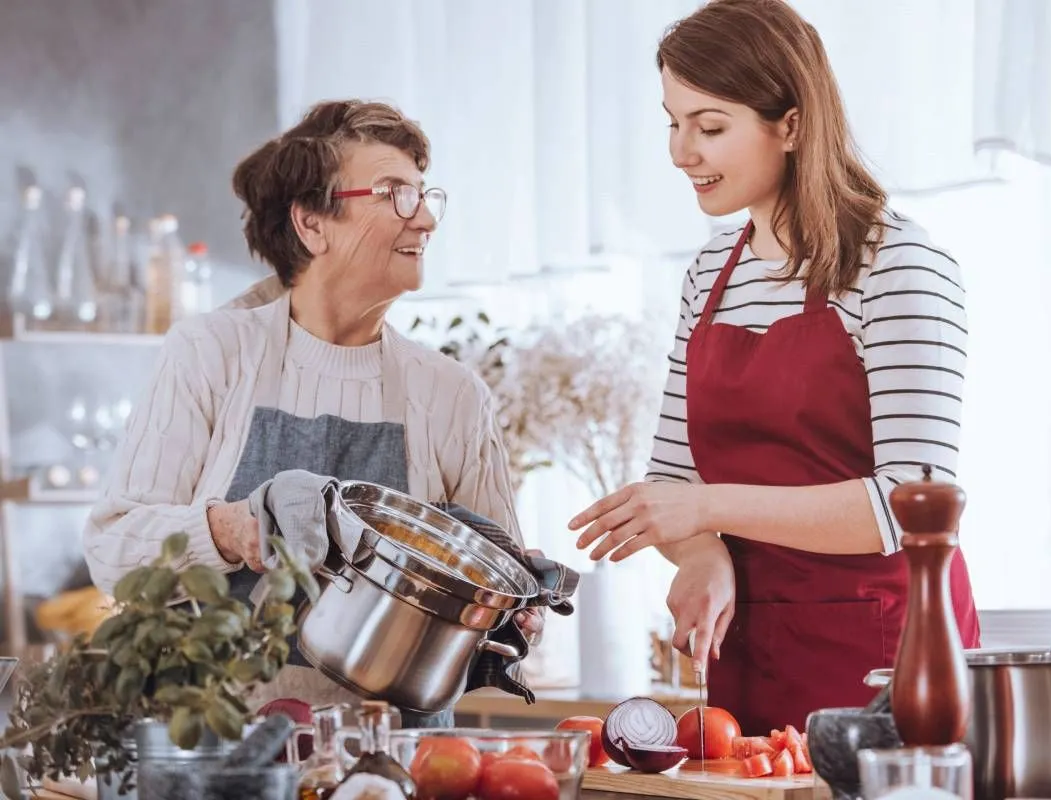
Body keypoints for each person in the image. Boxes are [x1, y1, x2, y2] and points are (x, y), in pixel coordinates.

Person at [570, 0, 981, 734]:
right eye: (673, 121)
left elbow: (911, 505)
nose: (680, 152)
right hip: (748, 658)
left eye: (711, 126)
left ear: (790, 125)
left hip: (885, 662)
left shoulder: (899, 265)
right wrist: (699, 554)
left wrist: (708, 511)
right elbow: (674, 482)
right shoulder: (709, 275)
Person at [83, 99, 543, 725]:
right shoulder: (212, 353)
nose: (427, 217)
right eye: (394, 194)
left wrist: (516, 607)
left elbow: (495, 596)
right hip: (223, 751)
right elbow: (111, 551)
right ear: (312, 223)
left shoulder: (451, 393)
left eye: (424, 194)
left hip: (394, 766)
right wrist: (231, 528)